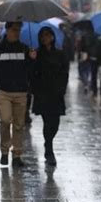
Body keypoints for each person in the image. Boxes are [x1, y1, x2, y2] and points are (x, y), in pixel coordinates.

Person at [0, 22, 32, 167]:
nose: (16, 33)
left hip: (20, 92)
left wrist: (32, 59)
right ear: (6, 30)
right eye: (14, 30)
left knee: (19, 125)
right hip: (3, 92)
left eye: (18, 30)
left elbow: (31, 72)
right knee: (5, 121)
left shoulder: (25, 49)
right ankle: (4, 151)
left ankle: (17, 155)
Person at [31, 27, 69, 166]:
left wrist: (62, 89)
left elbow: (65, 72)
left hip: (56, 93)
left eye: (47, 35)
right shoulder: (37, 53)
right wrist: (32, 60)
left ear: (52, 37)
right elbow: (32, 73)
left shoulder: (60, 54)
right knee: (47, 122)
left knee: (55, 124)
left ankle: (48, 143)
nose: (44, 38)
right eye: (42, 36)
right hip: (42, 93)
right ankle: (49, 150)